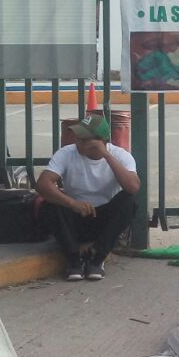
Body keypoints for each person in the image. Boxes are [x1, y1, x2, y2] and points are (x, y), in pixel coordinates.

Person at [35, 113, 140, 281]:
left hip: (104, 219)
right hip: (75, 215)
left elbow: (133, 187)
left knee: (129, 201)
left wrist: (106, 155)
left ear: (101, 142)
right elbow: (43, 184)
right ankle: (73, 260)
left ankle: (96, 257)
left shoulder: (120, 155)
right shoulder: (66, 153)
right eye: (77, 138)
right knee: (50, 206)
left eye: (83, 139)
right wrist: (72, 203)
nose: (77, 142)